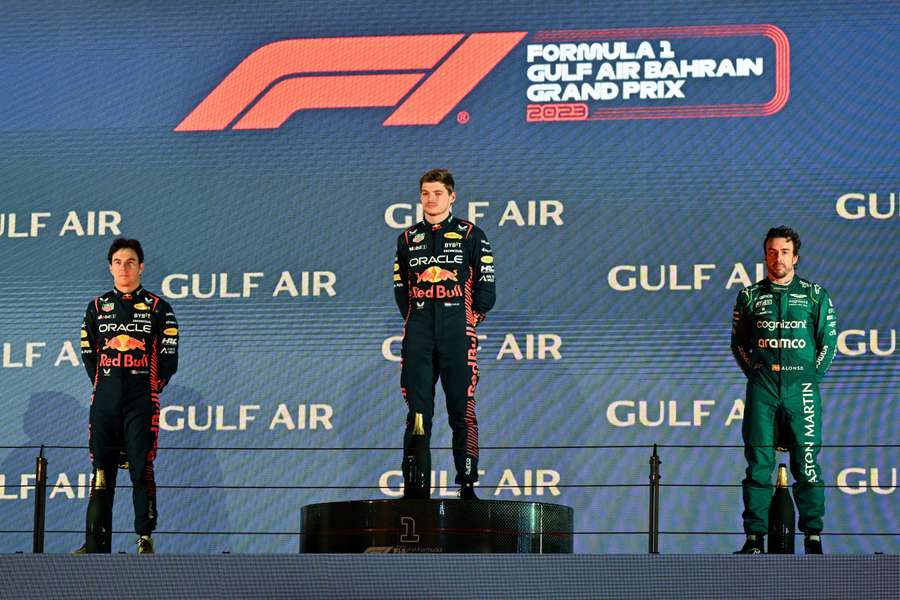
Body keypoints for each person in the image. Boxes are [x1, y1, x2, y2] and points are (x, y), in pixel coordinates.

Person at [731, 227, 837, 554]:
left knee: (806, 463)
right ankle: (753, 539)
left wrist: (807, 377)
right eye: (772, 252)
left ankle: (813, 538)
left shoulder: (815, 295)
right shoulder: (749, 296)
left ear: (796, 257)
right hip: (763, 388)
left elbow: (828, 345)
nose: (779, 258)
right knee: (758, 462)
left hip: (801, 388)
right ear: (765, 255)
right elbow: (739, 346)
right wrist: (760, 374)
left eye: (785, 252)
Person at [393, 169, 495, 499]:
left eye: (437, 193)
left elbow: (486, 289)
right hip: (419, 333)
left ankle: (466, 485)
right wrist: (418, 318)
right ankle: (415, 487)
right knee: (419, 413)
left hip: (457, 332)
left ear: (452, 197)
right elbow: (401, 291)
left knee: (460, 408)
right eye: (425, 193)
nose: (431, 199)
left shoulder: (471, 235)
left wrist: (467, 320)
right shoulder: (407, 239)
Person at [75, 238, 178, 554]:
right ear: (110, 267)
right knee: (101, 473)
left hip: (141, 402)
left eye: (130, 261)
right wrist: (106, 385)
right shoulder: (96, 307)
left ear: (141, 266)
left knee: (140, 468)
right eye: (118, 262)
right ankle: (94, 545)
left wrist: (143, 388)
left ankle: (144, 540)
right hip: (104, 404)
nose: (124, 267)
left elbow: (169, 358)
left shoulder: (159, 308)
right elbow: (88, 352)